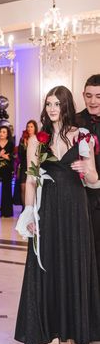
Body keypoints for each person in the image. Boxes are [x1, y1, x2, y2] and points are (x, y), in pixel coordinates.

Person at [14, 85, 100, 344]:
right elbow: (30, 179)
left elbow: (94, 181)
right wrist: (29, 213)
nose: (52, 108)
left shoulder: (82, 136)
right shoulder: (36, 140)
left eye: (57, 104)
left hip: (75, 207)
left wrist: (87, 170)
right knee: (43, 263)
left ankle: (66, 335)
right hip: (47, 207)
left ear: (66, 106)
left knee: (71, 264)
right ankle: (35, 329)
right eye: (48, 103)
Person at [76, 74, 100, 276]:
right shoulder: (74, 122)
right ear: (83, 95)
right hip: (82, 196)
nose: (93, 101)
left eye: (99, 96)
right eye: (89, 95)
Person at [0, 125, 14, 217]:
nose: (1, 134)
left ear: (7, 134)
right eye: (0, 132)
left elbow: (12, 156)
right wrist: (0, 155)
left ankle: (6, 212)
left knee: (7, 188)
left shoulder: (11, 144)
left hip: (7, 168)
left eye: (4, 132)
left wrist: (6, 156)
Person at [16, 120, 38, 207]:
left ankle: (32, 207)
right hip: (24, 166)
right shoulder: (23, 139)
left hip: (33, 166)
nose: (29, 128)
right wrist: (24, 145)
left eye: (31, 126)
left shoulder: (37, 139)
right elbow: (20, 155)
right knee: (23, 188)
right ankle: (25, 208)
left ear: (35, 128)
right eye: (28, 126)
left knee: (32, 188)